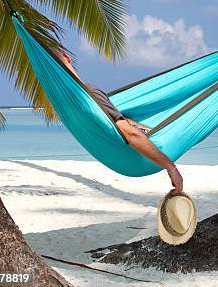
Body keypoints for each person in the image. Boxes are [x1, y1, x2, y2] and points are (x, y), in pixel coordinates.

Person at [54, 49, 183, 191]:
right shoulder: (90, 95)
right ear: (67, 57)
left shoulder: (64, 106)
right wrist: (171, 168)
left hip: (121, 159)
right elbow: (130, 134)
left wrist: (148, 130)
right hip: (139, 155)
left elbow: (114, 123)